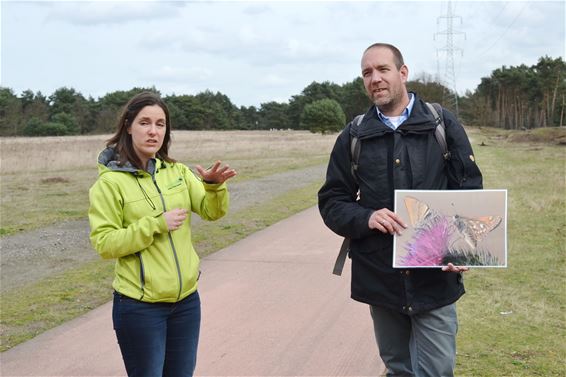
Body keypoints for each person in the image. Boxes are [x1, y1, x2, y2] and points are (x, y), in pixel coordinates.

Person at [318, 43, 483, 376]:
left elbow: (469, 191)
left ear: (403, 72)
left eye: (383, 69)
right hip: (380, 277)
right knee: (398, 368)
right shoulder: (354, 134)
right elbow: (332, 200)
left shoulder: (441, 123)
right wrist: (366, 217)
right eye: (367, 73)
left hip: (434, 277)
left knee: (436, 370)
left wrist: (462, 250)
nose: (375, 79)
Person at [88, 91, 236, 377]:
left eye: (160, 124)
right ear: (128, 126)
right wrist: (155, 225)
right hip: (139, 308)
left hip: (186, 303)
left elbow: (212, 212)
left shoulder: (178, 172)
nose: (153, 131)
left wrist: (214, 187)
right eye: (144, 123)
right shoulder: (109, 183)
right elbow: (104, 244)